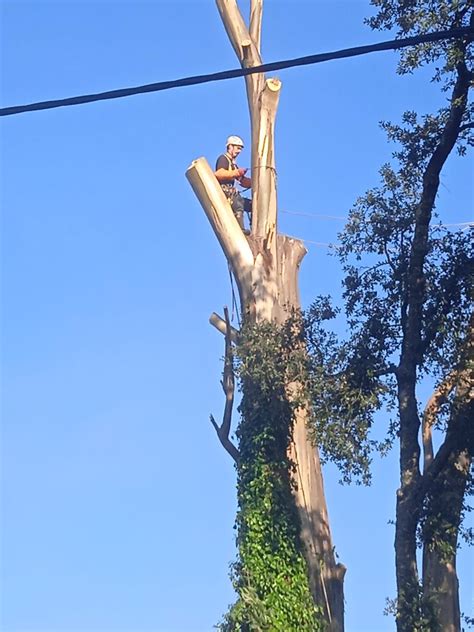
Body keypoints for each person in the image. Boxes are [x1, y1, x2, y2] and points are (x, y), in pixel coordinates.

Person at [215, 135, 252, 231]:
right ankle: (240, 229)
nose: (239, 151)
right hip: (224, 190)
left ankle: (255, 228)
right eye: (238, 148)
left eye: (240, 149)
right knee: (238, 203)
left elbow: (242, 181)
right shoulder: (223, 159)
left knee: (251, 205)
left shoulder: (233, 164)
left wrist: (255, 183)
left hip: (231, 192)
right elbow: (219, 173)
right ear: (230, 147)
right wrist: (235, 173)